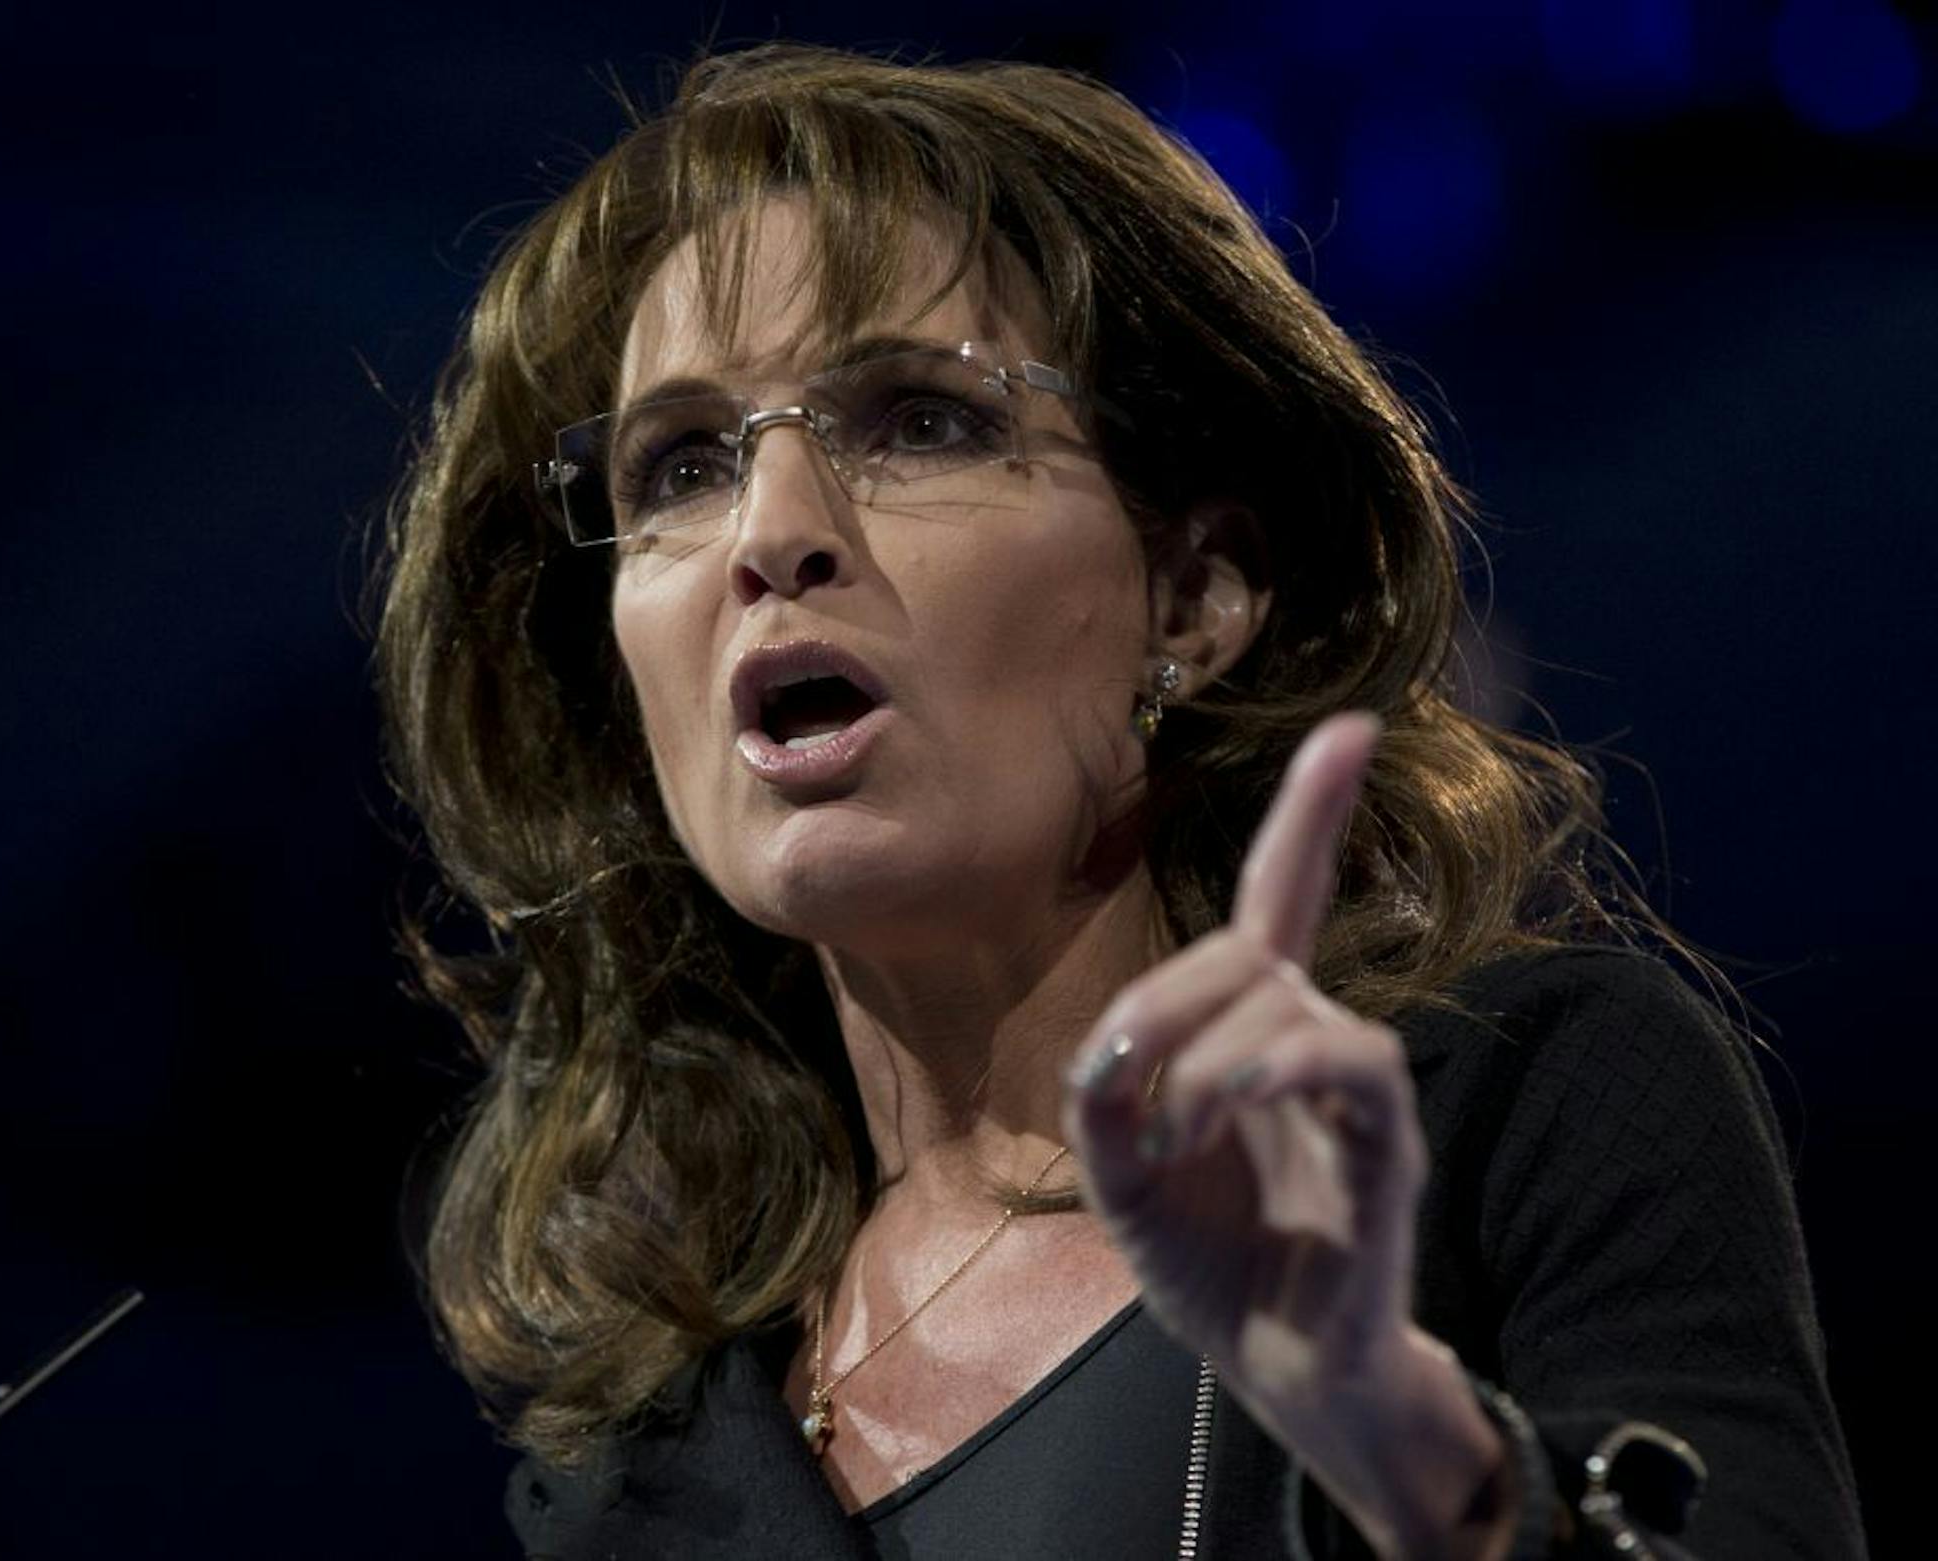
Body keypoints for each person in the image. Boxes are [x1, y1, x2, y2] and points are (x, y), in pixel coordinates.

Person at [375, 43, 1863, 1559]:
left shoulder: (1512, 1112)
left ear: (1195, 596)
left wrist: (1400, 1437)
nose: (771, 531)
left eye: (915, 419)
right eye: (680, 464)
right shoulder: (629, 1471)